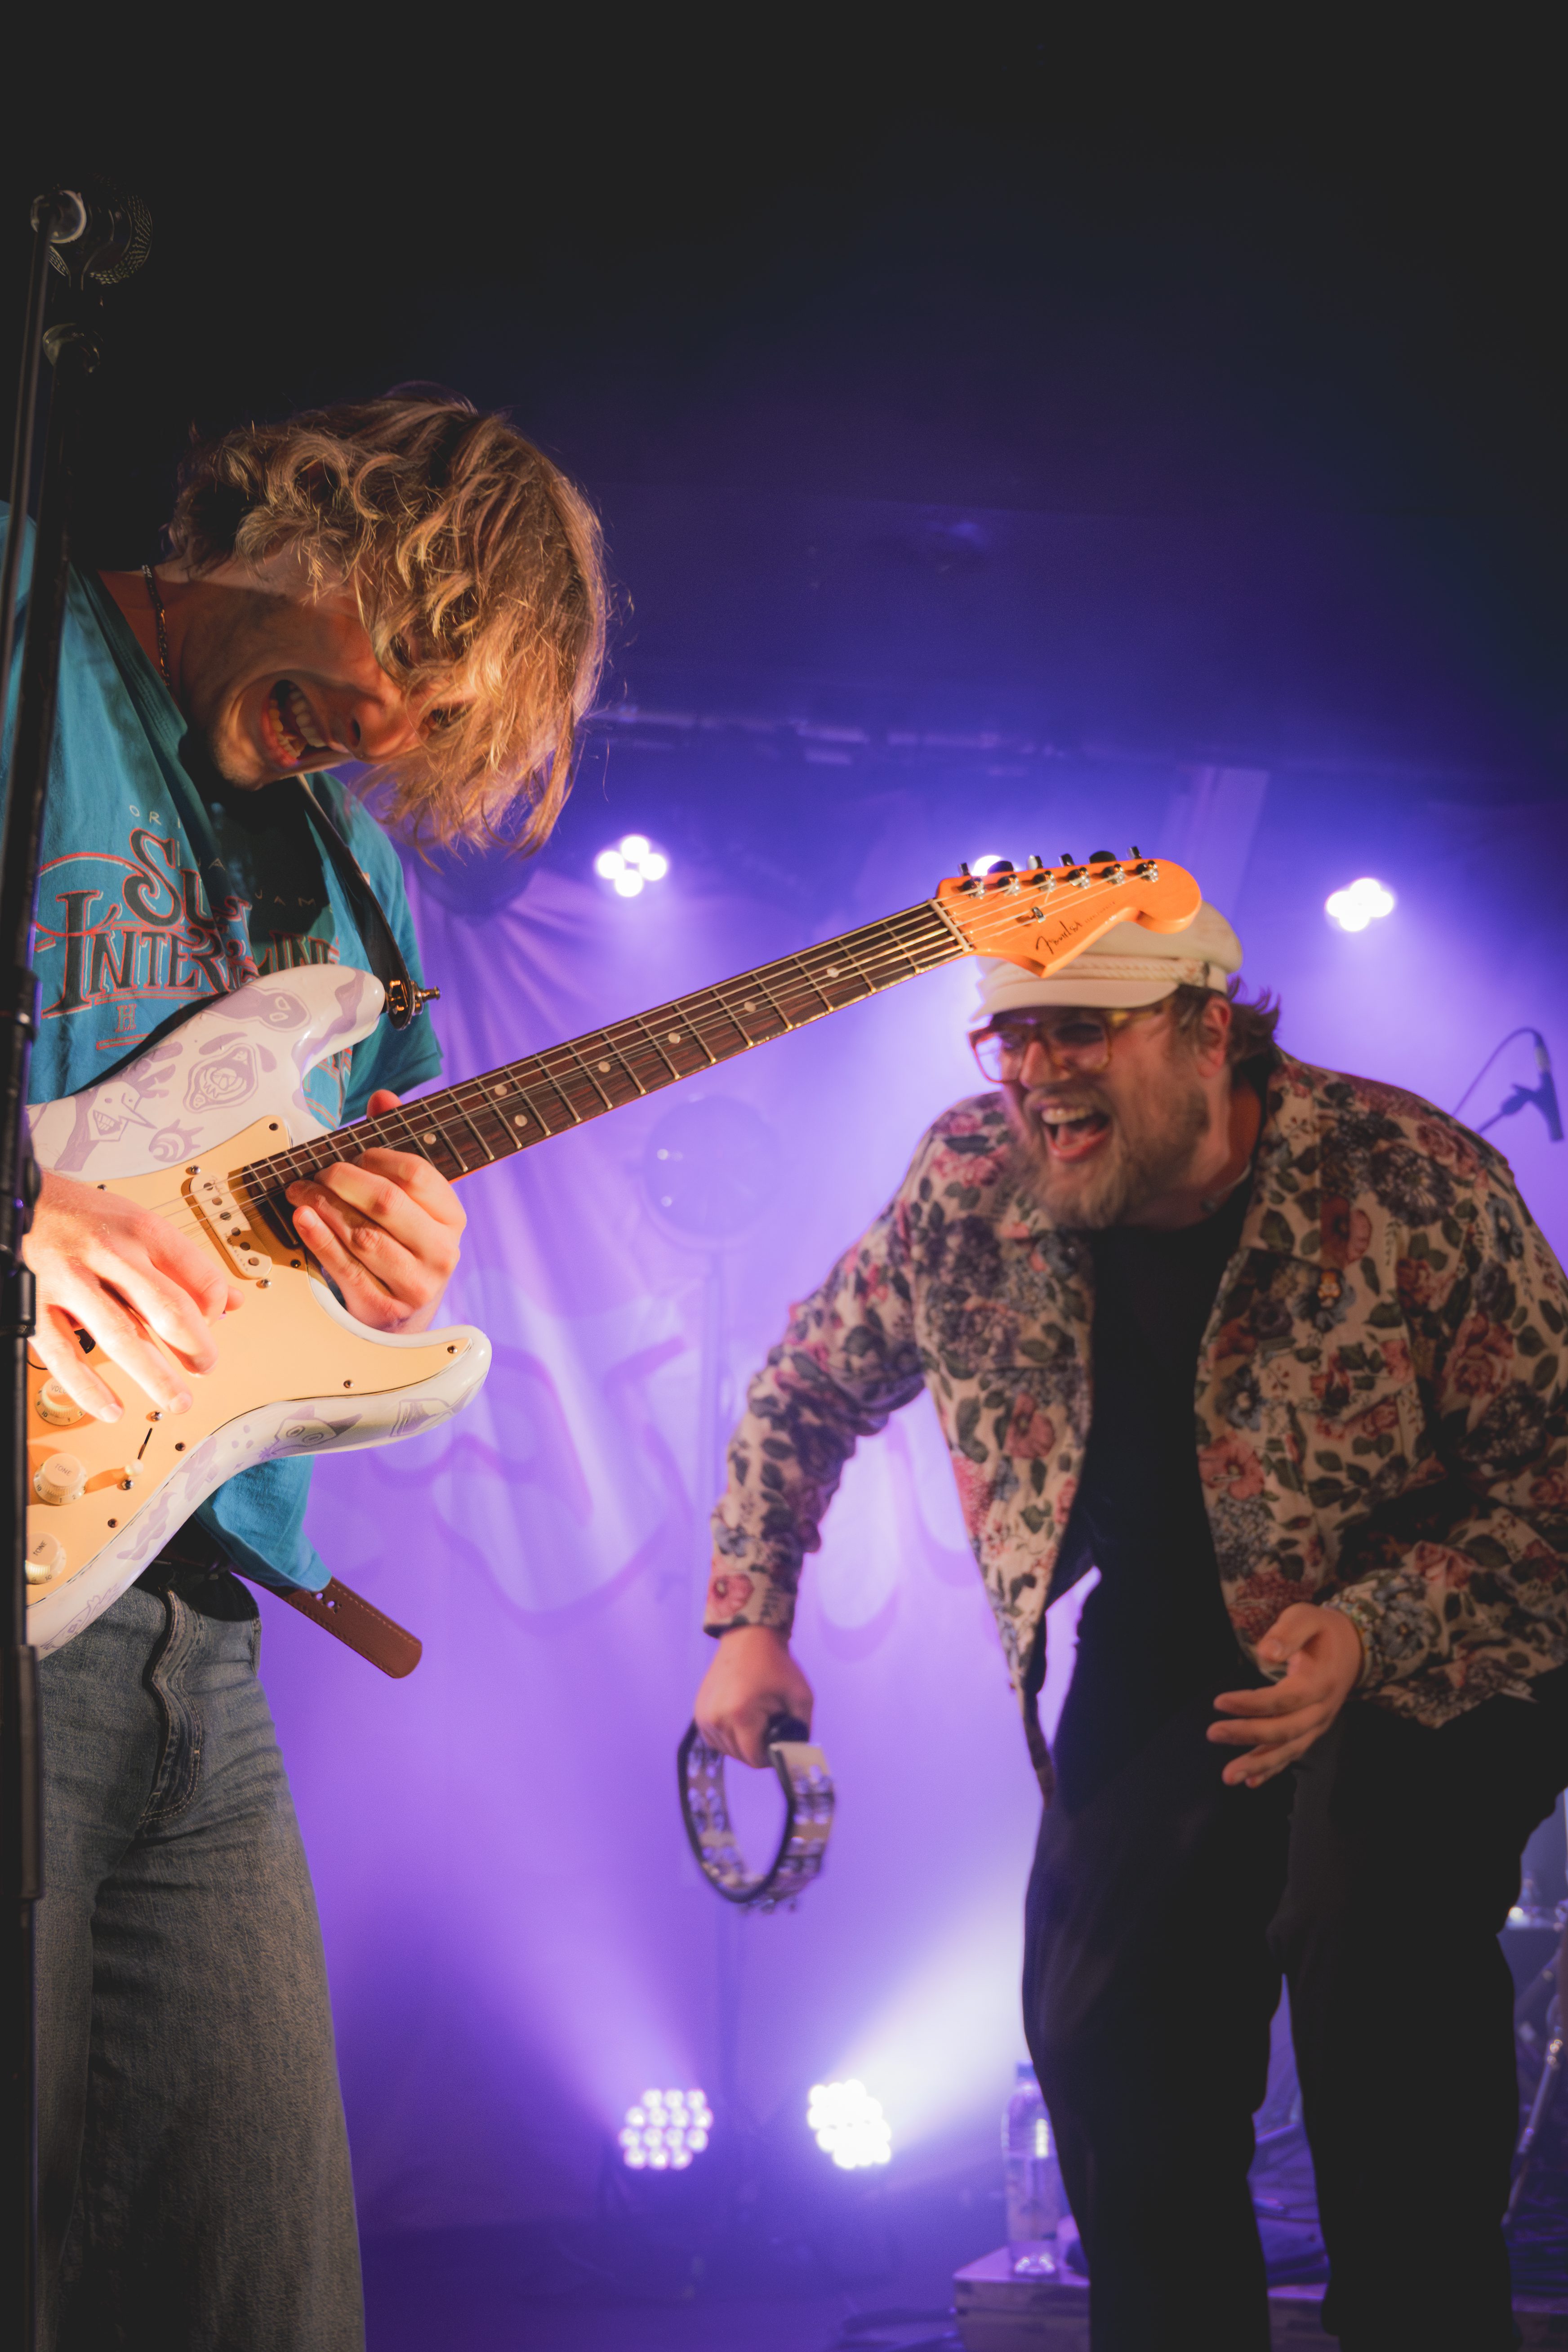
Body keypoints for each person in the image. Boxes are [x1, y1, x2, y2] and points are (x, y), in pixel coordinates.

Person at [693, 891, 1568, 2352]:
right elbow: (809, 1383)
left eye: (1079, 1032)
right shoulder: (970, 1183)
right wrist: (751, 1616)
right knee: (1109, 2047)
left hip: (1436, 1648)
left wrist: (1372, 1626)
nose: (1036, 1076)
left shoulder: (1407, 1177)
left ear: (1202, 1029)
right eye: (1011, 1039)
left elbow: (1553, 1481)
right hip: (1173, 1637)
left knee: (1379, 1982)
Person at [6, 393, 605, 2349]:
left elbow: (349, 1214)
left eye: (443, 730)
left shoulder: (351, 875)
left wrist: (391, 1248)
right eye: (398, 672)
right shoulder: (28, 639)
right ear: (305, 531)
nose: (391, 739)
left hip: (202, 1620)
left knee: (263, 2300)